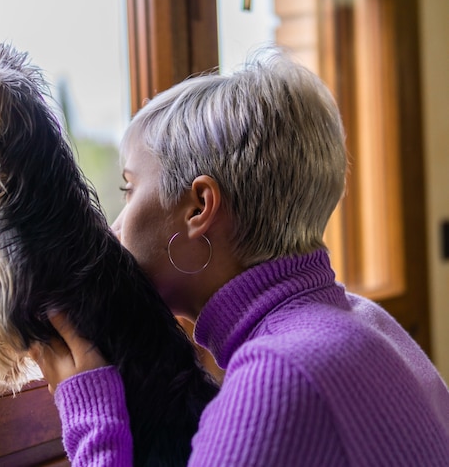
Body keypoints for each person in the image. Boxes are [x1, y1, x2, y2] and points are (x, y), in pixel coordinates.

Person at [35, 48, 449, 466]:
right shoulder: (369, 321)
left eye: (129, 188)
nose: (115, 227)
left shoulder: (276, 377)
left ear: (199, 207)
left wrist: (92, 416)